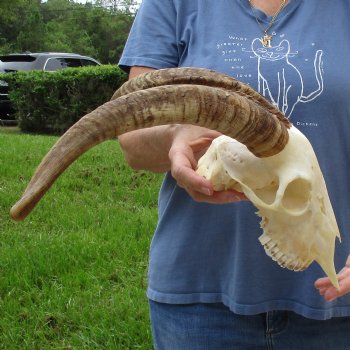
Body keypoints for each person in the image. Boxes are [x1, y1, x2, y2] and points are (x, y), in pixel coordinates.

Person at [118, 0, 350, 349]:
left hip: (338, 308)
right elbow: (132, 138)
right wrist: (173, 137)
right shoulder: (174, 4)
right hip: (199, 302)